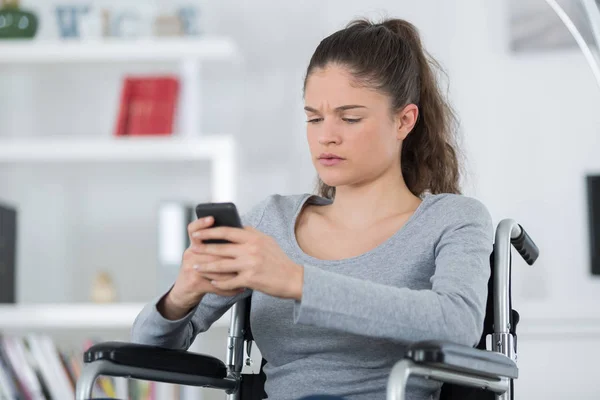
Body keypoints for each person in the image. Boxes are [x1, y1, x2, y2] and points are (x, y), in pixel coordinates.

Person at [131, 17, 493, 400]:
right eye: (313, 118)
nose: (326, 136)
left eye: (349, 118)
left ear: (404, 121)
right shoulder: (271, 221)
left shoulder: (453, 219)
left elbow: (458, 323)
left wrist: (297, 281)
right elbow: (144, 356)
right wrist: (181, 296)